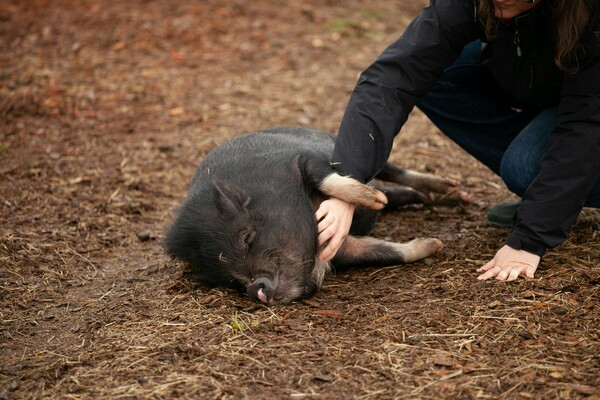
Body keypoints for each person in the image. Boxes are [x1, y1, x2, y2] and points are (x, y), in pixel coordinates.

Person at [316, 0, 600, 281]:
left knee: (525, 167)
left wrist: (529, 238)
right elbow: (394, 75)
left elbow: (585, 124)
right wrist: (347, 183)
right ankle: (550, 189)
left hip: (590, 99)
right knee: (437, 72)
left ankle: (553, 192)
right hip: (547, 78)